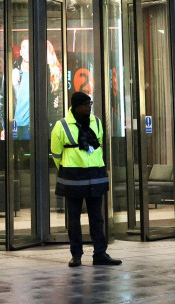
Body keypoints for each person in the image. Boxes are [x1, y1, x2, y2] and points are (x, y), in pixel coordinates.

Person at [50, 91, 121, 268]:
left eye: (90, 104)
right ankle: (76, 255)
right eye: (85, 105)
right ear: (76, 107)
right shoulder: (61, 125)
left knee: (97, 218)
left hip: (95, 175)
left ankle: (100, 253)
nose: (88, 107)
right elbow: (56, 153)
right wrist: (67, 167)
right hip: (73, 177)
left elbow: (99, 145)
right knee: (74, 219)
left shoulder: (96, 121)